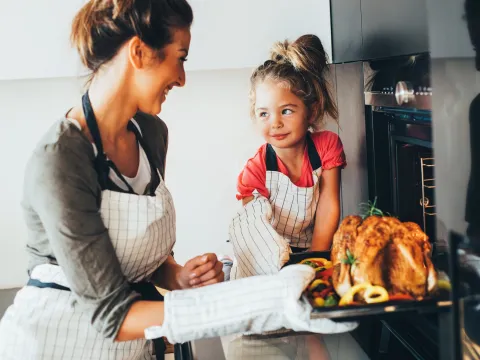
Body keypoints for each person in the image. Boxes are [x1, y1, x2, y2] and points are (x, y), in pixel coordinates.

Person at [0, 1, 356, 359]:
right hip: (54, 344)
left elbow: (139, 259)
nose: (182, 78)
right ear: (139, 53)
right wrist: (251, 301)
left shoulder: (151, 134)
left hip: (132, 350)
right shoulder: (61, 159)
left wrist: (179, 276)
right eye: (180, 57)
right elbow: (112, 315)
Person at [229, 35, 346, 278]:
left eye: (286, 111)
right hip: (267, 260)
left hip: (312, 249)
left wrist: (314, 259)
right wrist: (284, 272)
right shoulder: (256, 170)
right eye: (264, 114)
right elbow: (257, 234)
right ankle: (227, 267)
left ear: (311, 112)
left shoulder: (326, 147)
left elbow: (328, 207)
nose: (276, 123)